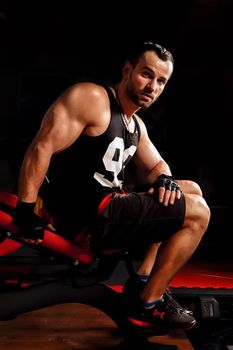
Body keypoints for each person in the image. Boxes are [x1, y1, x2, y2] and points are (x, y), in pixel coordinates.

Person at [15, 41, 210, 331]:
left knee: (187, 189)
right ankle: (146, 306)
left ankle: (142, 282)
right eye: (146, 74)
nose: (152, 86)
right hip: (85, 218)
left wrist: (165, 179)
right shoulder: (92, 98)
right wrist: (26, 211)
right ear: (127, 70)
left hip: (110, 210)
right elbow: (41, 147)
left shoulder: (134, 124)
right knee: (198, 212)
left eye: (161, 81)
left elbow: (158, 167)